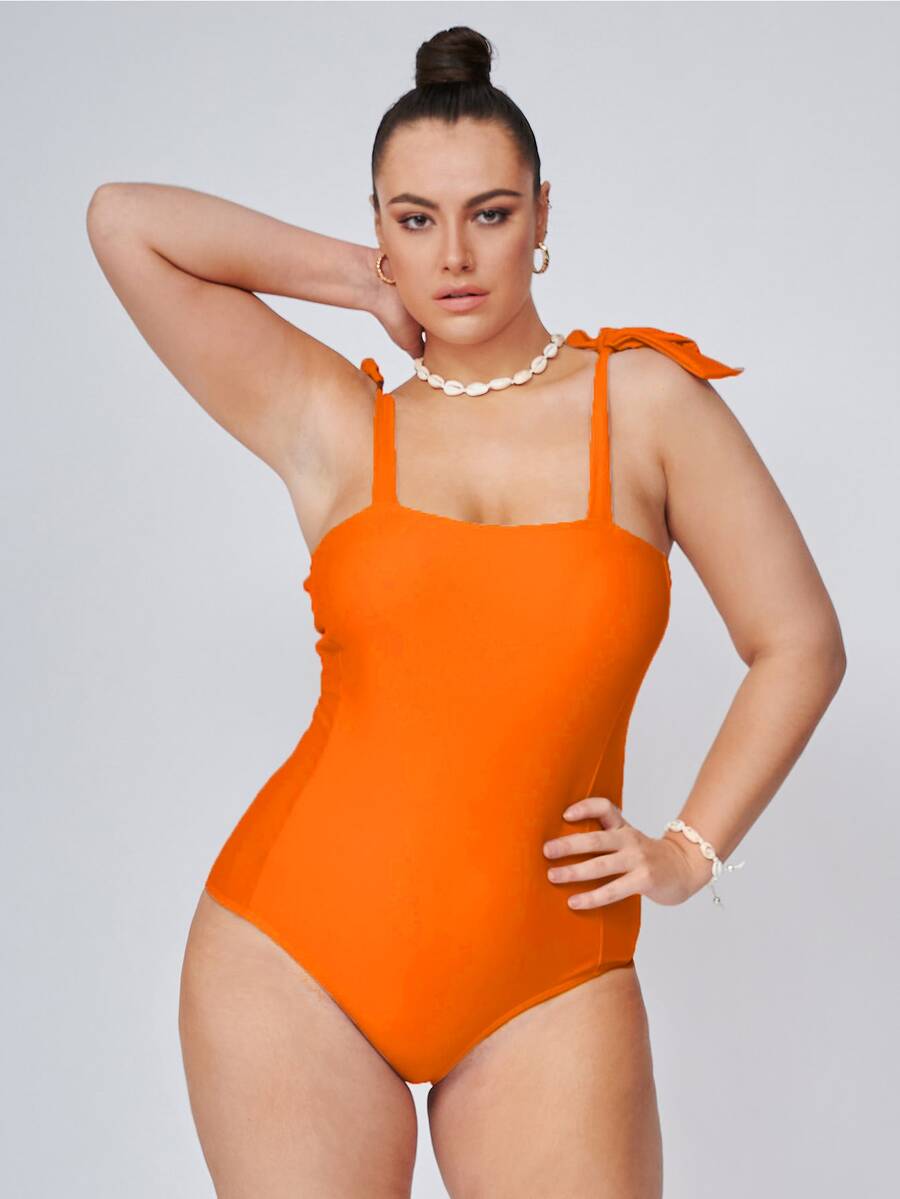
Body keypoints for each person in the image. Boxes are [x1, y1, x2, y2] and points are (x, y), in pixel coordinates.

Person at [86, 24, 846, 1199]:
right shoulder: (338, 421)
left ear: (542, 216)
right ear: (380, 224)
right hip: (292, 956)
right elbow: (124, 221)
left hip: (551, 979)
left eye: (489, 214)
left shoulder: (645, 406)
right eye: (415, 219)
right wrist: (359, 279)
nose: (454, 255)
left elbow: (797, 642)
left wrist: (690, 849)